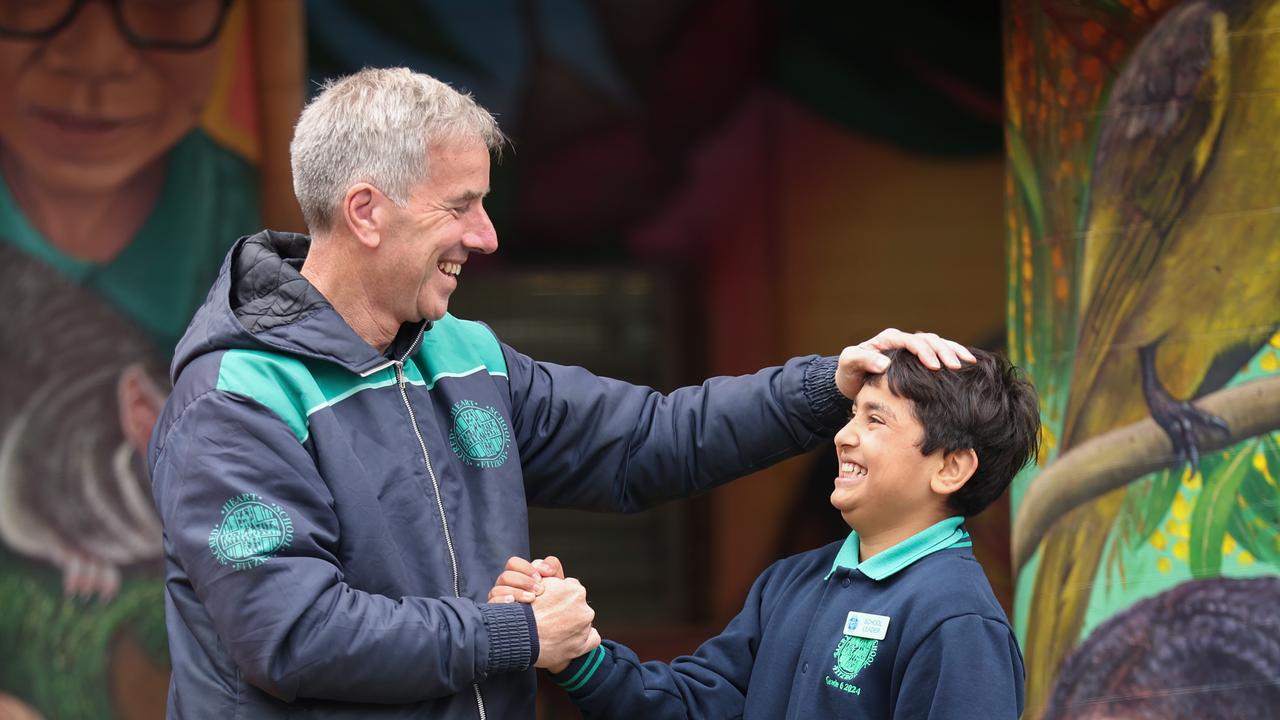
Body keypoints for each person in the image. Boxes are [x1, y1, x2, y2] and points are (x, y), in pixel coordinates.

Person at [147, 66, 975, 719]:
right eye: (462, 206)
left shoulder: (464, 355)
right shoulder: (233, 400)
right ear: (366, 211)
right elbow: (294, 635)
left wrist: (827, 386)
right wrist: (520, 633)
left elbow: (647, 441)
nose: (487, 235)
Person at [493, 346, 1039, 718]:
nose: (844, 436)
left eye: (875, 420)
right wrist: (578, 653)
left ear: (951, 467)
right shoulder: (792, 581)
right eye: (851, 415)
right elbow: (694, 707)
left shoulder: (956, 620)